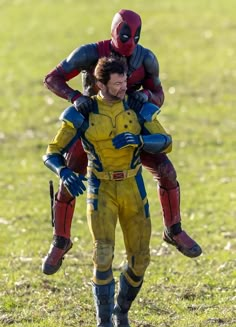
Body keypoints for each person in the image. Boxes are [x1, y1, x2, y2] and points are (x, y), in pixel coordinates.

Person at [42, 9, 202, 275]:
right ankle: (60, 241)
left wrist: (148, 96)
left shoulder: (147, 59)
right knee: (68, 178)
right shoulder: (87, 53)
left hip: (128, 127)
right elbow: (52, 78)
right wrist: (75, 97)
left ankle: (174, 230)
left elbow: (159, 93)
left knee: (166, 171)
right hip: (91, 126)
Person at [43, 56, 172, 327]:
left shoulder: (137, 107)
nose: (124, 86)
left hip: (133, 188)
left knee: (141, 259)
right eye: (117, 83)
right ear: (101, 84)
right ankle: (104, 326)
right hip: (100, 189)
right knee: (103, 254)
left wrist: (138, 141)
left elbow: (166, 141)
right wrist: (64, 171)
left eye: (125, 80)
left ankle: (121, 313)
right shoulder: (83, 113)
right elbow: (51, 152)